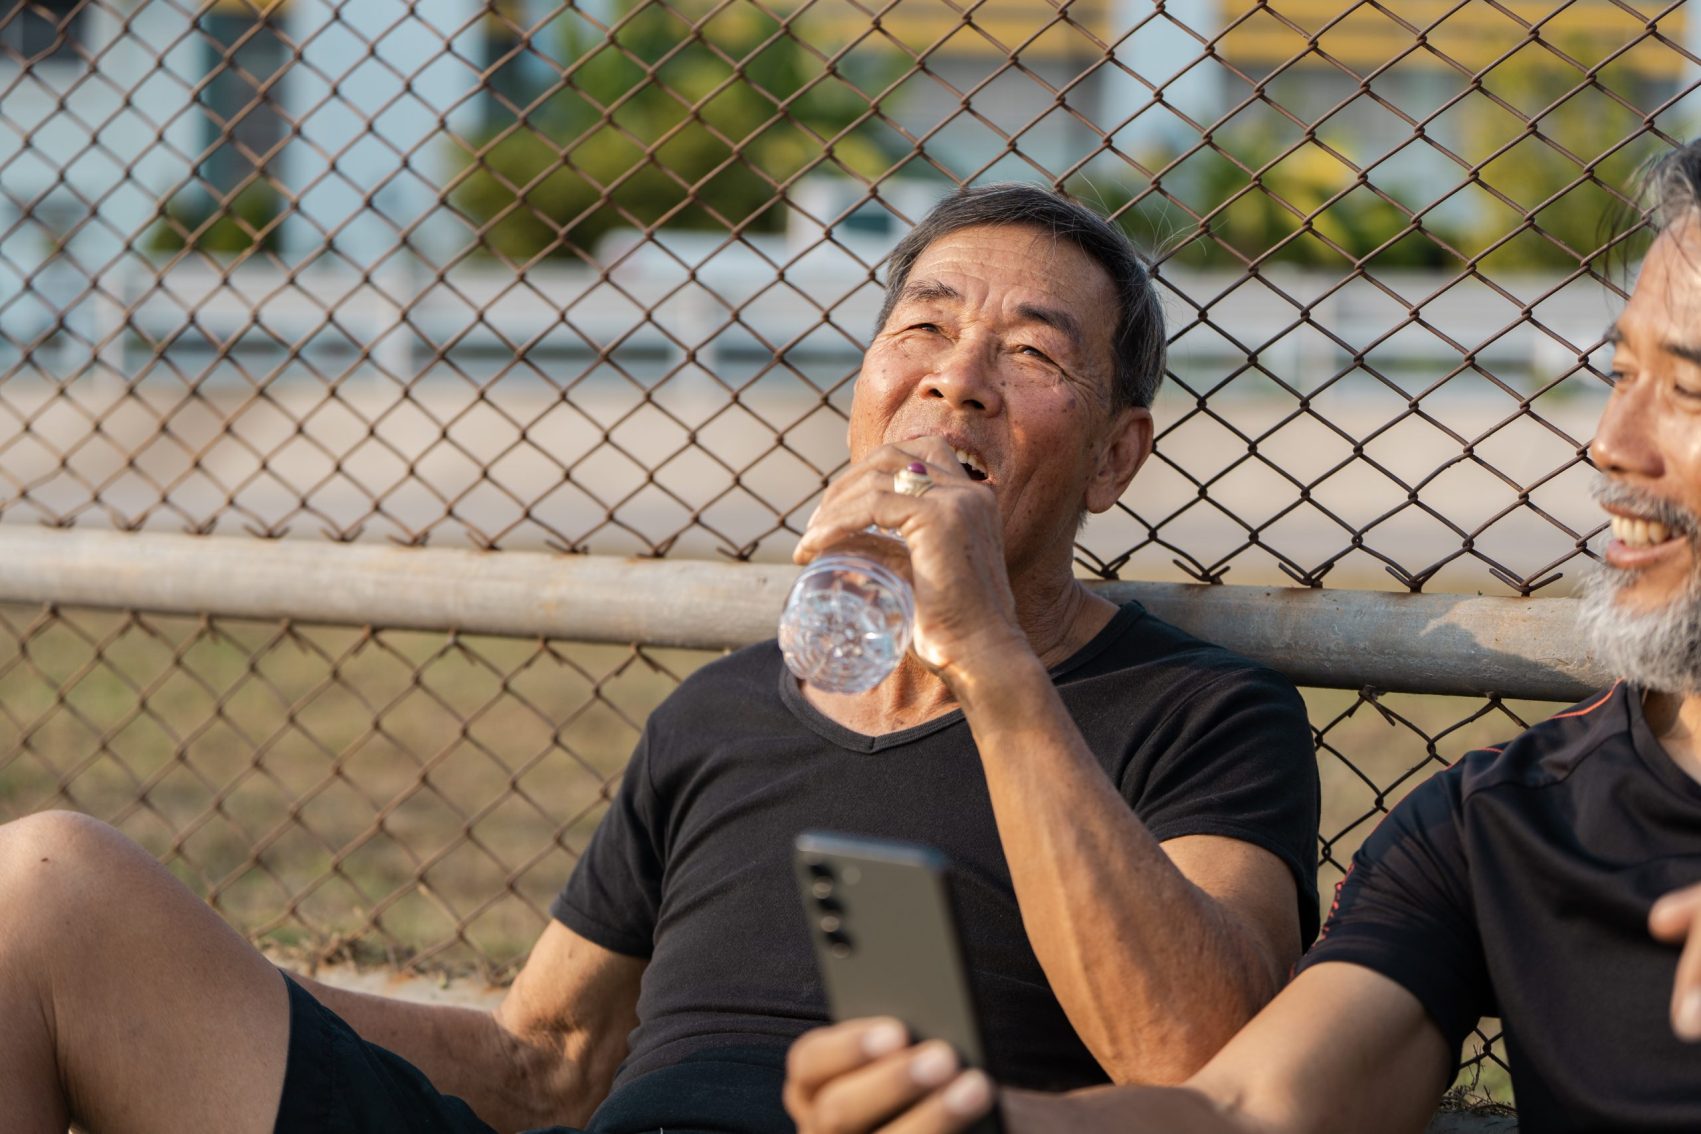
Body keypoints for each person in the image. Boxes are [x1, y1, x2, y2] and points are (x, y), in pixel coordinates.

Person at [0, 184, 1320, 1134]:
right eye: (920, 331)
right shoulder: (724, 706)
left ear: (1114, 456)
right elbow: (545, 1062)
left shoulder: (1199, 711)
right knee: (48, 881)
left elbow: (1196, 1060)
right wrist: (207, 990)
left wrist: (985, 655)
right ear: (864, 384)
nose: (955, 379)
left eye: (1031, 354)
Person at [782, 145, 1701, 1134]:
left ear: (1116, 453)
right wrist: (989, 1122)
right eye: (1616, 372)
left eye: (1689, 390)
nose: (1612, 442)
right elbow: (1240, 1108)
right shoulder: (1504, 825)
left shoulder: (1204, 716)